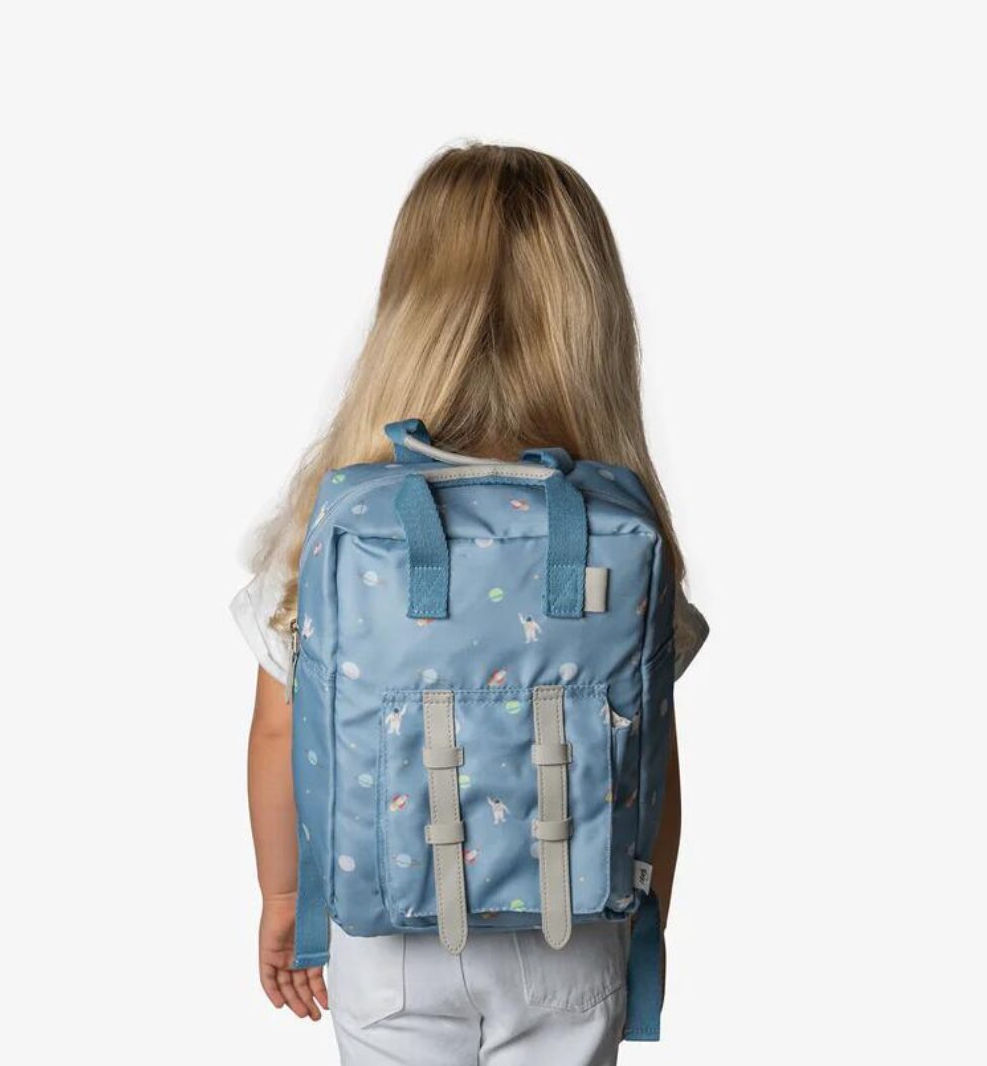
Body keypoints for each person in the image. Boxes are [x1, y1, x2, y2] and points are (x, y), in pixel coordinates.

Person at [232, 143, 708, 1065]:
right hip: (572, 922)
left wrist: (288, 900)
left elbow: (280, 730)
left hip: (386, 936)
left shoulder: (334, 522)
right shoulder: (617, 528)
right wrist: (642, 915)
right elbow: (654, 751)